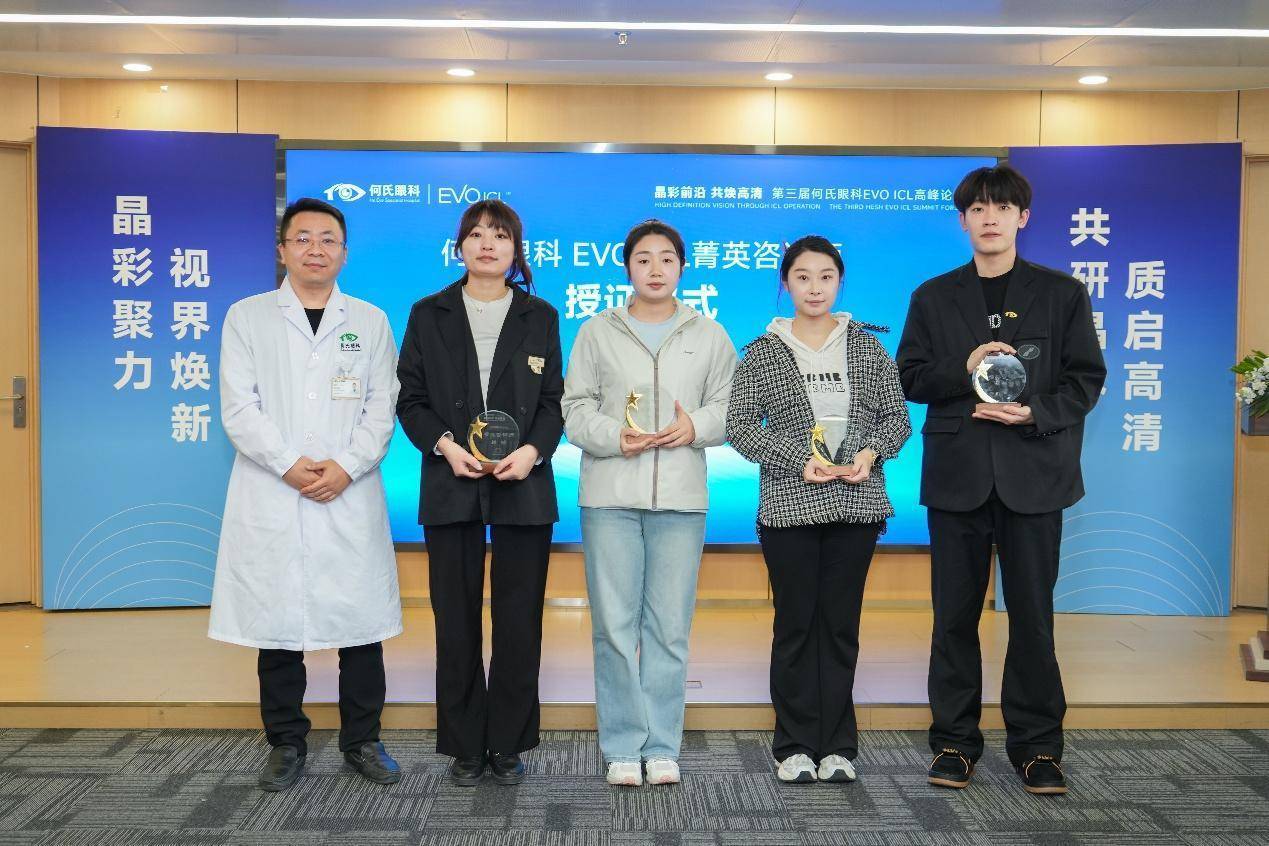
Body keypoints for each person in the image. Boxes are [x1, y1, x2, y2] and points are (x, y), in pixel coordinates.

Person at [896, 164, 1106, 796]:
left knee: (1034, 619)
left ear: (1023, 217)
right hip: (958, 476)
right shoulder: (933, 296)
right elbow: (911, 377)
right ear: (962, 221)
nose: (990, 218)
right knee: (953, 620)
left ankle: (1038, 749)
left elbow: (1085, 380)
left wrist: (1034, 412)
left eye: (1002, 207)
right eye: (978, 209)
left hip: (1035, 475)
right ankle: (954, 743)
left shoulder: (1062, 293)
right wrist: (964, 369)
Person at [209, 197, 403, 792]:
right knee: (277, 626)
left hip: (350, 490)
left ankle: (362, 741)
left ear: (344, 252)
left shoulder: (370, 320)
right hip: (273, 489)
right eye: (303, 238)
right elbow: (239, 408)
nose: (315, 249)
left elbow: (382, 407)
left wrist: (346, 467)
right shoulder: (247, 317)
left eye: (328, 239)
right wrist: (290, 465)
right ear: (282, 250)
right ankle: (286, 742)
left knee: (360, 626)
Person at [727, 235, 911, 785]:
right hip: (790, 507)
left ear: (840, 282)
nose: (814, 287)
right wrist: (795, 459)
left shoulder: (868, 347)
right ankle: (794, 745)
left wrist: (870, 453)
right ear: (785, 283)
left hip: (856, 504)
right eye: (802, 277)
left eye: (825, 276)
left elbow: (897, 419)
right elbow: (740, 427)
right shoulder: (762, 351)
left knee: (840, 627)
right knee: (795, 627)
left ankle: (838, 746)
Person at [562, 219, 737, 786]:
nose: (655, 269)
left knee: (669, 628)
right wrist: (615, 435)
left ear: (683, 266)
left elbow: (730, 408)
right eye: (643, 259)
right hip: (610, 496)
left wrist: (694, 428)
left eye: (666, 258)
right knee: (613, 627)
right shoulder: (597, 330)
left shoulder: (709, 334)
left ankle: (662, 745)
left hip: (681, 500)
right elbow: (574, 408)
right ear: (627, 268)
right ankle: (621, 745)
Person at [396, 199, 563, 787]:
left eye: (499, 235)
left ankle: (509, 743)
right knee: (455, 619)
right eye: (476, 234)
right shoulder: (428, 313)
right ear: (460, 246)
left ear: (516, 250)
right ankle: (465, 744)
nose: (487, 244)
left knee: (520, 619)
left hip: (524, 482)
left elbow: (554, 403)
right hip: (451, 479)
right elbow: (410, 399)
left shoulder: (540, 315)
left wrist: (532, 452)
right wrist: (445, 445)